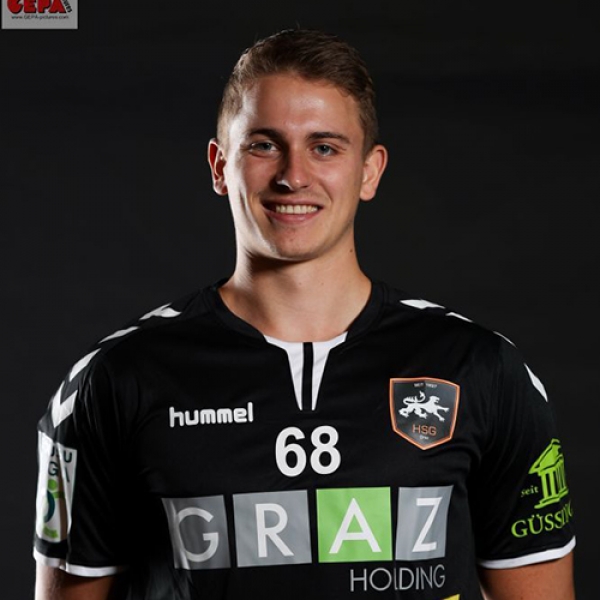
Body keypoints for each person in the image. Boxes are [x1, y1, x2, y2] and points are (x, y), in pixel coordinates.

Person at [34, 29, 576, 600]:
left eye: (325, 147)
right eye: (264, 145)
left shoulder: (482, 369)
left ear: (369, 171)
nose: (293, 175)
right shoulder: (113, 381)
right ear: (220, 166)